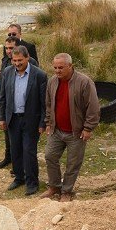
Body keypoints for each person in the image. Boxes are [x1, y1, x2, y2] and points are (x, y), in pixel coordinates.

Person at [41, 53, 100, 202]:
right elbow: (48, 104)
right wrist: (48, 123)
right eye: (55, 68)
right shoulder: (52, 82)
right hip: (56, 130)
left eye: (61, 67)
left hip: (76, 132)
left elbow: (93, 107)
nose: (57, 71)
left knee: (73, 163)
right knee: (49, 156)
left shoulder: (85, 82)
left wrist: (88, 128)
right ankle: (54, 186)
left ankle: (66, 191)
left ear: (70, 66)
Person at [0, 45, 47, 195]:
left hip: (31, 119)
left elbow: (44, 102)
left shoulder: (39, 75)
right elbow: (3, 97)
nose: (17, 63)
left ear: (27, 58)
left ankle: (32, 182)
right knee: (15, 150)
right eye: (14, 60)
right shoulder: (7, 72)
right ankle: (19, 178)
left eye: (20, 60)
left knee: (29, 151)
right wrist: (2, 118)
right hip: (13, 118)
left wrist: (43, 122)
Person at [0, 36, 38, 170]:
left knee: (26, 144)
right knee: (10, 137)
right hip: (9, 108)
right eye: (6, 48)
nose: (8, 51)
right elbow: (2, 83)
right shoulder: (6, 61)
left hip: (27, 111)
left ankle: (23, 167)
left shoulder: (32, 63)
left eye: (11, 48)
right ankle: (10, 159)